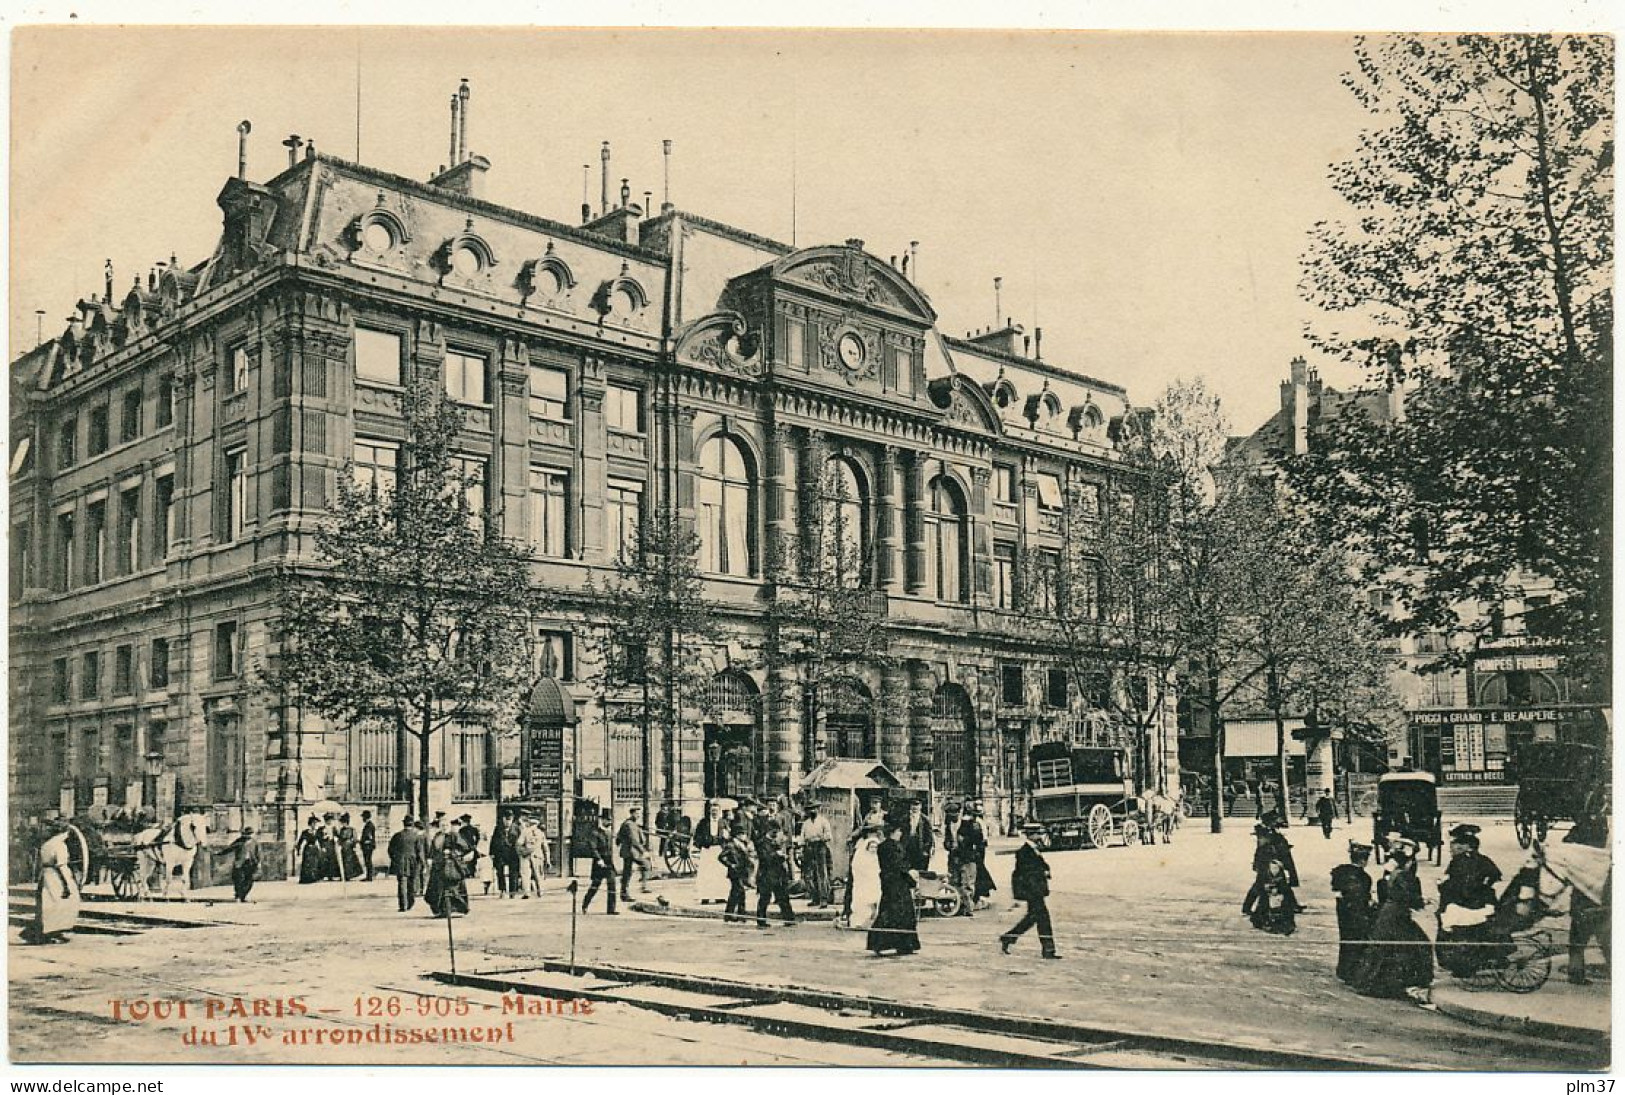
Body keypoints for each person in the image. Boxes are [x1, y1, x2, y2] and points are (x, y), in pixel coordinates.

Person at [1350, 835, 1433, 1001]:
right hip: (1397, 915)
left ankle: (1375, 981)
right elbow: (1407, 898)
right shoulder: (1405, 876)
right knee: (1415, 944)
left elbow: (1385, 891)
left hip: (1388, 914)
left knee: (1389, 946)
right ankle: (1403, 982)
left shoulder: (1391, 873)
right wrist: (1422, 901)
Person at [1434, 823, 1506, 978]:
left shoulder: (1458, 862)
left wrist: (1442, 885)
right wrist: (1483, 886)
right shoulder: (1483, 859)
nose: (1451, 849)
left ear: (1465, 846)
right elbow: (1495, 875)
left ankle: (1457, 963)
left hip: (1463, 903)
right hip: (1482, 901)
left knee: (1450, 924)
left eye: (1454, 845)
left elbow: (1454, 884)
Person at [1000, 823, 1059, 958]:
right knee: (1043, 919)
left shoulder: (1033, 849)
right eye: (1037, 833)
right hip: (1034, 891)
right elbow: (1026, 874)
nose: (1040, 836)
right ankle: (1048, 950)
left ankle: (1009, 937)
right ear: (1031, 835)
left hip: (1036, 890)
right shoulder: (1024, 852)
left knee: (1032, 918)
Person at [867, 819, 920, 956]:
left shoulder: (882, 846)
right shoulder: (895, 847)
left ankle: (878, 942)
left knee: (887, 911)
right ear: (894, 832)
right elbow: (900, 867)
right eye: (899, 831)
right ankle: (904, 944)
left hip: (887, 882)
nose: (901, 833)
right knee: (903, 913)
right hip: (899, 883)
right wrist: (912, 880)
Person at [25, 820, 83, 944]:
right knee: (62, 903)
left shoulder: (47, 844)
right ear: (63, 833)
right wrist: (66, 885)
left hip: (46, 875)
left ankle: (49, 931)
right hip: (57, 876)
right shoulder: (60, 845)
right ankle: (53, 931)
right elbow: (60, 865)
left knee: (47, 904)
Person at [1330, 841, 1376, 982]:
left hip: (1344, 912)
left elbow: (1337, 890)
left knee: (1346, 940)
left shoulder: (1341, 871)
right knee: (1357, 941)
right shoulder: (1364, 877)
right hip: (1358, 913)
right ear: (1364, 860)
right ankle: (1352, 972)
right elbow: (1362, 897)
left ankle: (1343, 970)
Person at [753, 818, 797, 928]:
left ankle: (789, 919)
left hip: (778, 875)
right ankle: (761, 920)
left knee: (783, 897)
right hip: (766, 875)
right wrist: (778, 856)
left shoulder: (774, 842)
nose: (776, 833)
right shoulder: (762, 843)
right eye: (775, 831)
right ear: (769, 830)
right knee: (764, 898)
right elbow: (765, 858)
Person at [580, 813, 619, 914]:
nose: (609, 822)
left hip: (609, 862)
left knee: (612, 885)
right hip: (599, 862)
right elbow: (593, 848)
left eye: (610, 820)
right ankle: (585, 904)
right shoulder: (595, 833)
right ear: (602, 820)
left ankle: (611, 909)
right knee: (595, 885)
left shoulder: (610, 833)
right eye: (607, 820)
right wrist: (598, 859)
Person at [846, 823, 883, 930]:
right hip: (863, 883)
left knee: (874, 901)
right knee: (862, 902)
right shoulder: (861, 855)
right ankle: (859, 922)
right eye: (871, 847)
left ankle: (873, 922)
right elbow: (856, 868)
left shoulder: (877, 857)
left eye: (875, 847)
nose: (873, 849)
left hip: (874, 882)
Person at [954, 806, 988, 915]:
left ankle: (967, 907)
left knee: (965, 882)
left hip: (965, 858)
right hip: (968, 857)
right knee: (966, 882)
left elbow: (965, 841)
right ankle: (966, 905)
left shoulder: (967, 825)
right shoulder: (973, 824)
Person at [799, 803, 834, 907]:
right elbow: (802, 837)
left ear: (818, 809)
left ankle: (824, 899)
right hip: (809, 848)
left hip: (820, 847)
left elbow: (829, 836)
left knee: (821, 873)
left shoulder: (823, 821)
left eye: (814, 809)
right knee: (808, 875)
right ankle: (815, 897)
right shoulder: (806, 823)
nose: (812, 811)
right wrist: (801, 848)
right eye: (809, 809)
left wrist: (820, 837)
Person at [1250, 859, 1297, 935]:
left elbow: (1287, 890)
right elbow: (1259, 888)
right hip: (1267, 899)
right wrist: (1268, 889)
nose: (1274, 871)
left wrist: (1279, 892)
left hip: (1280, 900)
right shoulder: (1264, 876)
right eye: (1272, 868)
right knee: (1263, 902)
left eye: (1276, 868)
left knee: (1286, 904)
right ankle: (1265, 921)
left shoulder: (1283, 878)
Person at [720, 826, 756, 923]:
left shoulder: (743, 845)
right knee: (741, 892)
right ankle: (741, 915)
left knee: (734, 894)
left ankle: (729, 914)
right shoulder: (731, 845)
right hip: (734, 872)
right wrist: (731, 865)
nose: (744, 836)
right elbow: (721, 857)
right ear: (738, 835)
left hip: (742, 871)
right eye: (742, 834)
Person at [389, 816, 425, 912]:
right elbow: (419, 851)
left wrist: (395, 859)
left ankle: (403, 905)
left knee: (402, 883)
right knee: (411, 883)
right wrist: (423, 863)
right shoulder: (416, 836)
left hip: (400, 862)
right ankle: (410, 903)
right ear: (412, 824)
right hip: (413, 862)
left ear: (403, 824)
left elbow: (390, 850)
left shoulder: (397, 836)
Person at [617, 807, 652, 901]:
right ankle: (642, 887)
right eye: (636, 814)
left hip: (630, 851)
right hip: (631, 851)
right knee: (646, 864)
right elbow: (634, 840)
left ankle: (625, 893)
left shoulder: (630, 824)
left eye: (639, 814)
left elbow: (619, 837)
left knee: (627, 872)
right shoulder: (629, 824)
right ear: (632, 814)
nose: (638, 815)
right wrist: (643, 851)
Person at [515, 814, 551, 898]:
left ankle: (527, 892)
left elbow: (519, 843)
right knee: (538, 874)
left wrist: (521, 852)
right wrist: (547, 859)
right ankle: (540, 891)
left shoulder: (525, 831)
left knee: (525, 874)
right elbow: (545, 847)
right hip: (538, 855)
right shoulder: (540, 833)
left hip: (526, 855)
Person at [226, 826, 260, 903]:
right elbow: (229, 848)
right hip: (240, 863)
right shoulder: (239, 841)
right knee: (238, 880)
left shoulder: (254, 842)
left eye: (250, 834)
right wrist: (218, 854)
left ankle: (243, 896)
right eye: (247, 834)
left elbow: (258, 853)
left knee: (249, 881)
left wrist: (258, 863)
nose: (249, 835)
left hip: (250, 863)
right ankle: (238, 895)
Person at [902, 799, 934, 873]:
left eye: (917, 805)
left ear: (920, 807)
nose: (915, 807)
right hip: (907, 848)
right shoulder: (905, 818)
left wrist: (926, 850)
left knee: (920, 871)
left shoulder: (925, 819)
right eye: (913, 805)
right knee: (907, 870)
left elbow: (929, 837)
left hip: (920, 848)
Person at [295, 816, 326, 884]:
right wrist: (298, 850)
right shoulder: (305, 832)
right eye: (313, 823)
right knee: (307, 864)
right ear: (310, 824)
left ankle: (314, 878)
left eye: (315, 823)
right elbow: (300, 842)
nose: (314, 825)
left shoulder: (317, 832)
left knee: (315, 864)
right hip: (308, 849)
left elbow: (320, 840)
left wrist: (322, 847)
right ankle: (306, 878)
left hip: (314, 849)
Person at [337, 813, 363, 881]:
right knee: (344, 861)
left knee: (350, 862)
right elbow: (340, 838)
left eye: (344, 823)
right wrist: (339, 843)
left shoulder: (352, 829)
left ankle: (350, 875)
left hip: (350, 847)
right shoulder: (341, 830)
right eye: (342, 823)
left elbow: (355, 838)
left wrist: (353, 844)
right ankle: (344, 875)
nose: (343, 824)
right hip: (343, 847)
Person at [359, 811, 378, 882]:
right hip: (369, 845)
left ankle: (369, 877)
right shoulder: (369, 824)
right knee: (368, 861)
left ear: (365, 817)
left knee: (368, 861)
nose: (362, 819)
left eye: (363, 817)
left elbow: (368, 836)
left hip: (368, 846)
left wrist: (363, 841)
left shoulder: (369, 825)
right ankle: (369, 876)